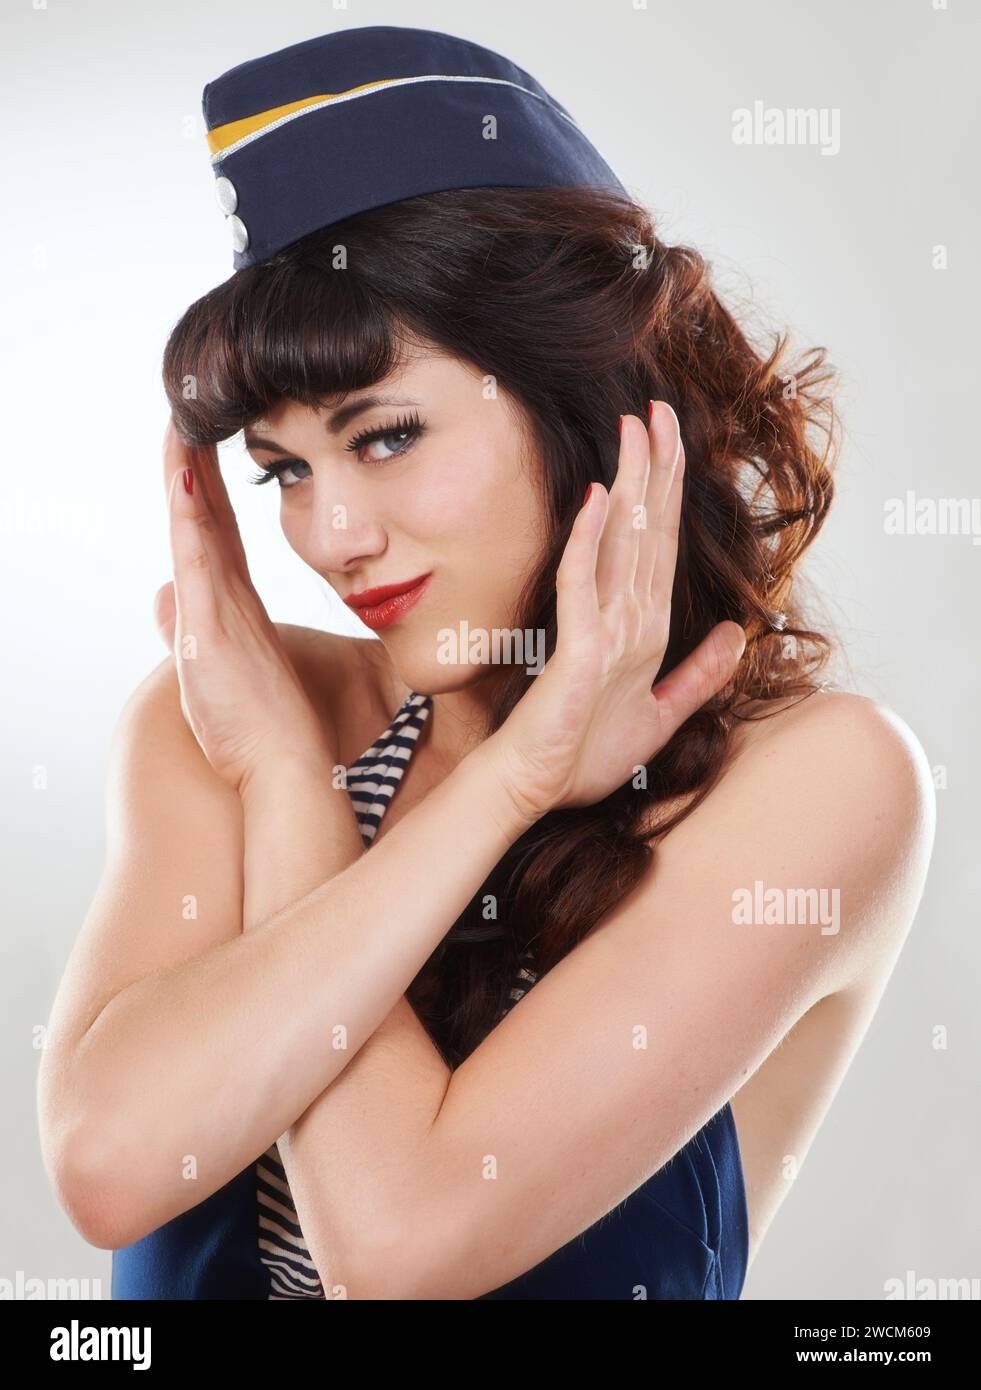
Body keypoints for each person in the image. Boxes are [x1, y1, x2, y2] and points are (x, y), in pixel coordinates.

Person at [38, 24, 935, 1300]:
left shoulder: (819, 782)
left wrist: (328, 809)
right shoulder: (235, 722)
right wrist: (320, 774)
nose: (330, 536)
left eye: (387, 435)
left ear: (585, 399)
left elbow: (400, 1243)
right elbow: (110, 1169)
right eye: (284, 470)